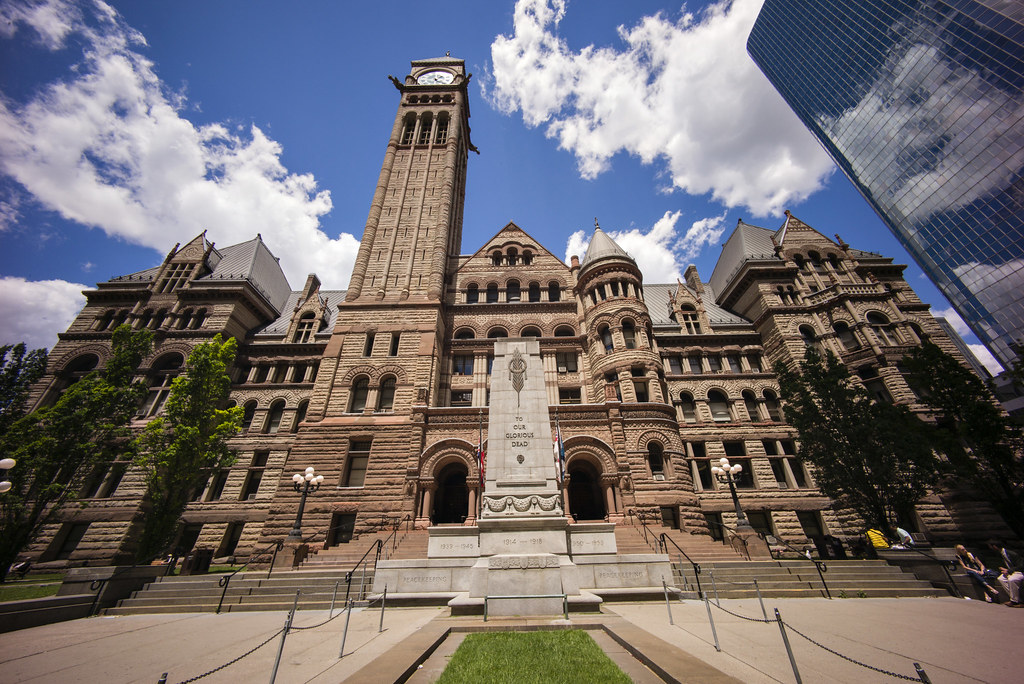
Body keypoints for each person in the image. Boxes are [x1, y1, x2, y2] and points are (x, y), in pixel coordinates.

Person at [986, 540, 1024, 607]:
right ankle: (1016, 599)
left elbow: (1021, 566)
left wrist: (1008, 571)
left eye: (991, 547)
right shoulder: (1001, 554)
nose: (990, 549)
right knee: (1001, 578)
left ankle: (1014, 601)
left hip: (1020, 572)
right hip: (1012, 572)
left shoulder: (1011, 553)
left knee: (1012, 580)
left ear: (995, 547)